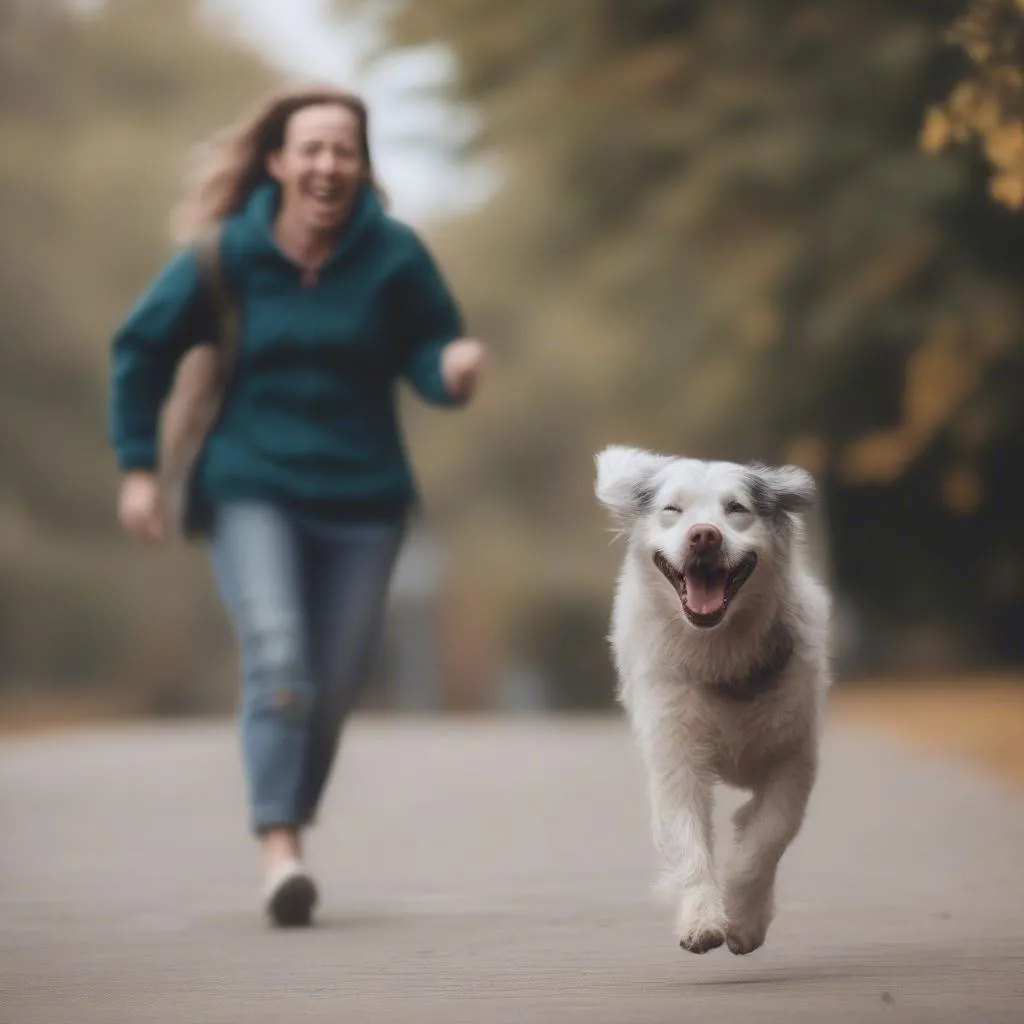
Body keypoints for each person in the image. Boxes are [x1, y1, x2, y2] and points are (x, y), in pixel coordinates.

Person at [107, 84, 485, 928]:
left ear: (362, 165)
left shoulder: (393, 256)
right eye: (310, 148)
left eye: (343, 149)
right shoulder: (226, 256)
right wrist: (139, 470)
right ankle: (281, 851)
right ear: (277, 161)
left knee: (334, 683)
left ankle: (290, 817)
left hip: (365, 501)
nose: (327, 164)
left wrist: (452, 368)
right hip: (252, 487)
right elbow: (140, 350)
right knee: (279, 658)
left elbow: (431, 348)